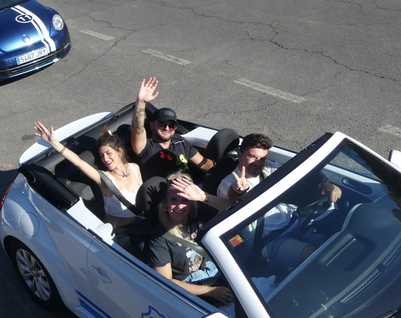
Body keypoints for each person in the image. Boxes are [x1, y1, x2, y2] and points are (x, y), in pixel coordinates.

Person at [217, 133, 342, 268]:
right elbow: (231, 196)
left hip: (296, 221)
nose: (258, 163)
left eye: (262, 158)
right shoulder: (228, 183)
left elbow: (299, 173)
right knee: (316, 256)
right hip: (271, 240)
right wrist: (238, 191)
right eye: (252, 156)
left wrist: (325, 184)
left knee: (335, 241)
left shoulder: (267, 169)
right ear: (240, 155)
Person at [143, 172, 234, 305]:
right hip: (195, 291)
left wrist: (204, 197)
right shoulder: (159, 237)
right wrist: (209, 291)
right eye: (173, 200)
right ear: (165, 203)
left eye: (185, 200)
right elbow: (166, 280)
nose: (179, 206)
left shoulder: (200, 216)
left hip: (219, 275)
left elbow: (232, 209)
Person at [34, 121, 143, 229]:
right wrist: (53, 143)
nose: (105, 159)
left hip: (143, 223)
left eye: (108, 153)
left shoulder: (134, 167)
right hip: (121, 232)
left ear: (119, 150)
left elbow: (144, 197)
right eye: (101, 155)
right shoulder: (104, 178)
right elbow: (78, 162)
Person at [130, 77, 214, 179]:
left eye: (172, 125)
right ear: (152, 125)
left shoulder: (181, 143)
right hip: (164, 192)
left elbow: (205, 165)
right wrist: (141, 102)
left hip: (189, 187)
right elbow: (137, 128)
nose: (166, 128)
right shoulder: (146, 147)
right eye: (162, 124)